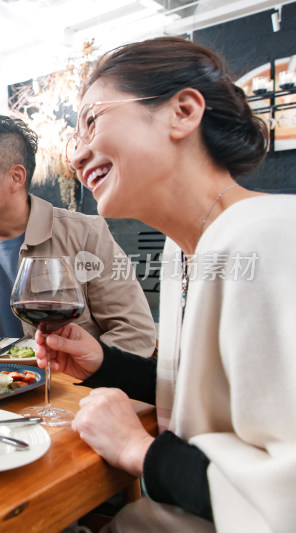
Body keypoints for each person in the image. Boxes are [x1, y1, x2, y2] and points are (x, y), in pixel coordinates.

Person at [39, 36, 295, 531]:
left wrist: (139, 450)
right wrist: (106, 364)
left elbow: (282, 499)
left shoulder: (265, 239)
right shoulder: (188, 251)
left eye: (93, 119)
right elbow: (217, 406)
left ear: (182, 111)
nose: (76, 154)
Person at [0, 113, 157, 356]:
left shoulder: (87, 234)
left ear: (16, 177)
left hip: (66, 388)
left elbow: (135, 331)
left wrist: (76, 369)